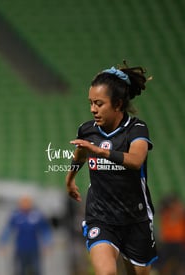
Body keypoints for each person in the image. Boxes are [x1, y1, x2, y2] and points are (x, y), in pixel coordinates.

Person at [65, 62, 158, 275]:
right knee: (106, 273)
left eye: (99, 103)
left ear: (117, 104)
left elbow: (136, 160)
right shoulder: (87, 130)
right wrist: (70, 178)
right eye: (90, 103)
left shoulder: (136, 129)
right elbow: (81, 151)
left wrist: (99, 152)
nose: (92, 109)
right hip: (101, 217)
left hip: (136, 219)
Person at [0, 195, 52, 275]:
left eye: (27, 202)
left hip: (34, 249)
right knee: (19, 270)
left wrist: (47, 243)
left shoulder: (37, 215)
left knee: (36, 270)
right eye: (23, 202)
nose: (25, 204)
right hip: (20, 249)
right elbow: (8, 229)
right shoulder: (16, 215)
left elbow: (45, 230)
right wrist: (3, 243)